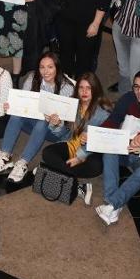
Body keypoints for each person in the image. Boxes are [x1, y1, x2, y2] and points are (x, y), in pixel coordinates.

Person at [95, 71, 140, 225]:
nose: (139, 91)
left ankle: (112, 204)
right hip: (123, 146)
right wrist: (95, 135)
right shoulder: (128, 98)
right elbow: (113, 121)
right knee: (109, 149)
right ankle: (114, 204)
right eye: (136, 86)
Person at [0, 52, 75, 183]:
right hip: (32, 124)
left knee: (42, 121)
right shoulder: (32, 78)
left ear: (57, 68)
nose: (45, 71)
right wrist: (12, 106)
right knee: (17, 114)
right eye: (42, 67)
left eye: (50, 67)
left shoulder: (67, 88)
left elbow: (66, 126)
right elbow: (23, 105)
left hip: (55, 131)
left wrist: (56, 122)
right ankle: (5, 155)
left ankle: (23, 163)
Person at [39, 72, 114, 205]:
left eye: (89, 88)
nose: (84, 92)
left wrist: (80, 156)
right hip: (70, 145)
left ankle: (51, 172)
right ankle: (79, 186)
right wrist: (56, 124)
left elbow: (103, 142)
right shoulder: (72, 106)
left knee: (97, 166)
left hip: (90, 152)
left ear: (95, 89)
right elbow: (62, 134)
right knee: (47, 152)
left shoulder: (103, 113)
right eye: (81, 87)